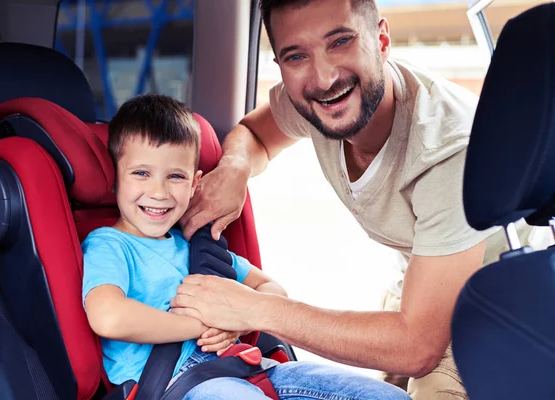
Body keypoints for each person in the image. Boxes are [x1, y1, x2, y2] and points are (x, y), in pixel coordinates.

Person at [171, 0, 553, 399]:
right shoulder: (312, 98)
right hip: (418, 281)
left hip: (499, 303)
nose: (323, 77)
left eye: (340, 41)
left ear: (382, 39)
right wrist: (235, 166)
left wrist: (254, 309)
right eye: (296, 55)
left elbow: (417, 346)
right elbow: (257, 134)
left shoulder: (447, 152)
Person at [81, 94, 410, 400]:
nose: (159, 191)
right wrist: (202, 325)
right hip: (178, 385)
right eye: (141, 173)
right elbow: (108, 317)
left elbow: (273, 290)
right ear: (116, 178)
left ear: (195, 183)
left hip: (249, 370)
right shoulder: (110, 245)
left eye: (175, 177)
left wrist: (239, 319)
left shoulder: (199, 248)